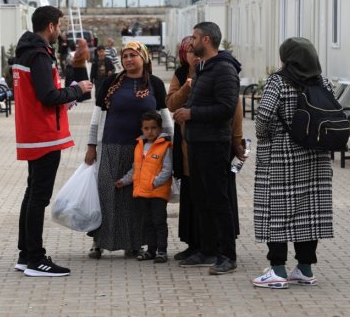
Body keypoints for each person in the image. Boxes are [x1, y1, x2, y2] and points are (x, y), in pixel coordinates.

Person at [12, 6, 93, 277]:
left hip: (34, 134)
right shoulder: (39, 55)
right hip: (44, 135)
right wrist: (76, 90)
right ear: (50, 26)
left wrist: (68, 92)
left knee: (31, 194)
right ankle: (35, 258)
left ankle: (26, 254)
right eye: (59, 25)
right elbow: (48, 95)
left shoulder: (27, 51)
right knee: (38, 198)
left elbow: (41, 94)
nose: (61, 30)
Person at [251, 37, 334, 289]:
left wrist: (265, 138)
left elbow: (263, 116)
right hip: (316, 156)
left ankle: (277, 271)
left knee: (277, 213)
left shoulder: (278, 81)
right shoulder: (323, 81)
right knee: (308, 213)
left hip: (282, 156)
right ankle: (305, 269)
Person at [84, 41, 172, 260]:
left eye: (133, 55)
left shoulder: (155, 84)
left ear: (143, 57)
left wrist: (170, 144)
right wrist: (91, 145)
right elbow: (96, 117)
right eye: (125, 56)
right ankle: (98, 243)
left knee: (137, 198)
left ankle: (134, 244)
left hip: (144, 151)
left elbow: (165, 117)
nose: (129, 59)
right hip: (112, 146)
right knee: (108, 194)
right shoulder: (110, 83)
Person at [167, 37, 245, 262]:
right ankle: (204, 248)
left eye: (195, 44)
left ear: (207, 41)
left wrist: (191, 114)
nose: (192, 52)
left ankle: (225, 253)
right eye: (188, 50)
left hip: (214, 144)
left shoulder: (223, 71)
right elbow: (173, 102)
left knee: (218, 200)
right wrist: (186, 107)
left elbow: (230, 108)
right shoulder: (197, 72)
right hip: (193, 144)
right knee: (199, 198)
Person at [116, 111, 172, 263]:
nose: (150, 131)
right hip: (141, 193)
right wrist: (124, 180)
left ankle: (162, 251)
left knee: (159, 222)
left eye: (153, 128)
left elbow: (167, 170)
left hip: (157, 193)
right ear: (142, 129)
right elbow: (135, 168)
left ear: (160, 129)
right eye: (146, 128)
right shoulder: (139, 146)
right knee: (147, 223)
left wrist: (154, 183)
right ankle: (151, 250)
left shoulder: (165, 146)